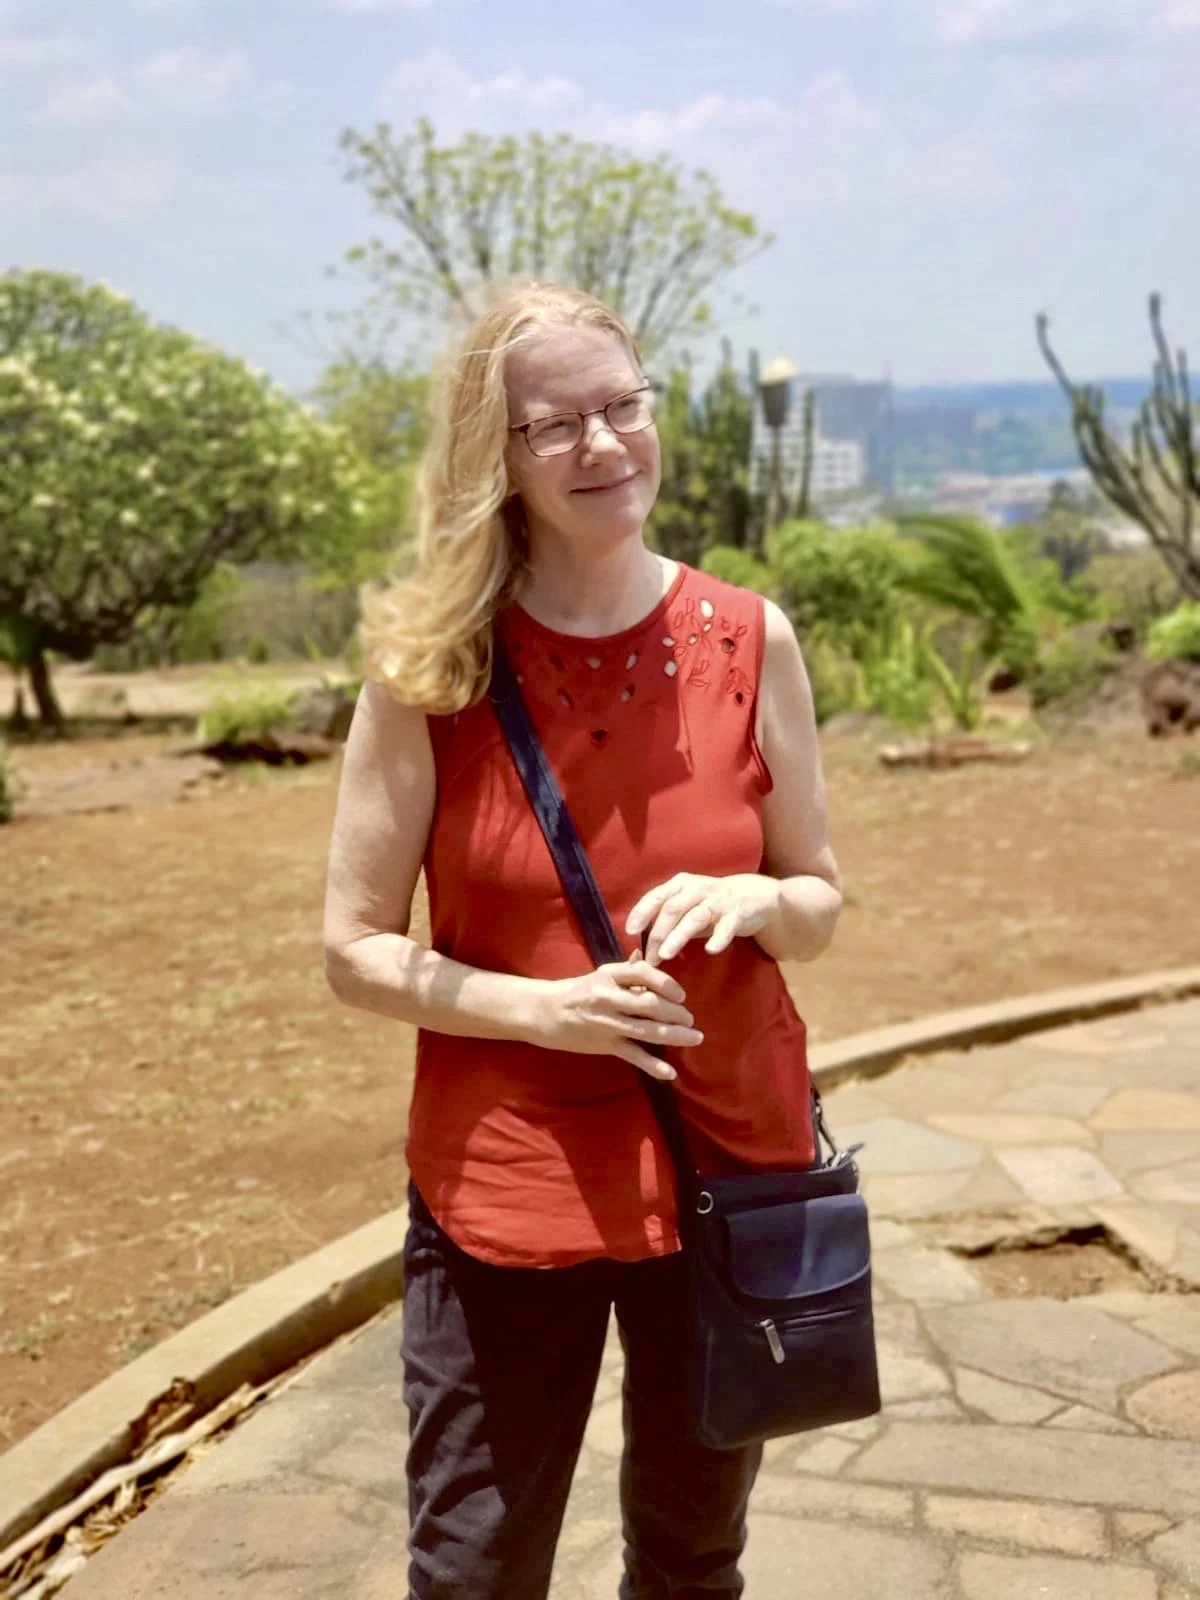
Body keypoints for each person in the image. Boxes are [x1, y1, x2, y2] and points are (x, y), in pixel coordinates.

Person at [322, 281, 843, 1600]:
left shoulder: (750, 638)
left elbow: (821, 897)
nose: (607, 445)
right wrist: (539, 1011)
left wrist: (762, 904)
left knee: (690, 1562)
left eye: (624, 406)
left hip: (728, 1172)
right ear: (496, 456)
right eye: (560, 424)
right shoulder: (432, 671)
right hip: (504, 1192)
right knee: (476, 1568)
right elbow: (355, 950)